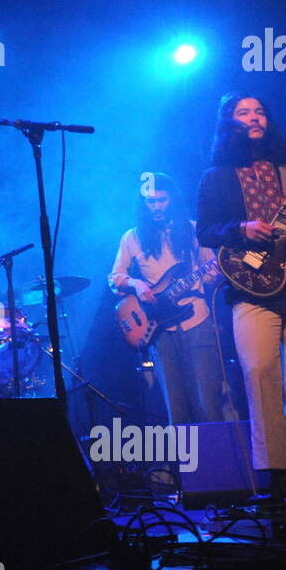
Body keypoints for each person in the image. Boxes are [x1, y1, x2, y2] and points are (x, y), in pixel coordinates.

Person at [196, 93, 286, 499]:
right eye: (244, 112)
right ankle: (276, 472)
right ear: (228, 123)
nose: (254, 117)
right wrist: (241, 229)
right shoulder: (216, 176)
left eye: (259, 111)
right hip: (250, 290)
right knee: (258, 372)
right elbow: (205, 231)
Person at [109, 172, 226, 424]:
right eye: (151, 202)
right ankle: (187, 463)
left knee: (208, 401)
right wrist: (136, 283)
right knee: (176, 408)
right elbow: (114, 278)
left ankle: (217, 461)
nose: (157, 206)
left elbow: (210, 271)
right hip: (158, 330)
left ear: (172, 199)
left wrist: (212, 275)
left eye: (162, 200)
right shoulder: (132, 237)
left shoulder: (195, 230)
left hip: (197, 320)